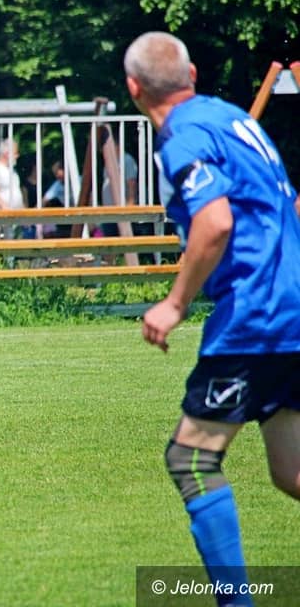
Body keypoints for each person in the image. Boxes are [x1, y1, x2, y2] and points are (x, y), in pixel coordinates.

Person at [127, 31, 300, 605]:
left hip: (257, 315)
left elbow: (215, 221)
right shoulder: (234, 120)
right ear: (193, 74)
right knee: (291, 473)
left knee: (192, 460)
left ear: (133, 89)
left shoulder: (185, 135)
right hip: (292, 307)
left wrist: (174, 303)